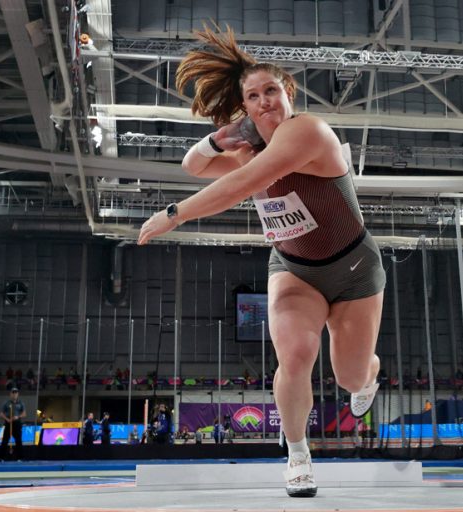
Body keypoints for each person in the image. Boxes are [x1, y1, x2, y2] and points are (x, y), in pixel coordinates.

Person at [137, 24, 385, 499]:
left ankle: (369, 370)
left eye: (271, 89)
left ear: (287, 93)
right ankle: (297, 455)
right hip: (293, 270)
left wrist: (175, 213)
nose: (265, 100)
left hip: (354, 268)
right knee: (294, 354)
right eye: (253, 95)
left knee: (350, 374)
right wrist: (218, 140)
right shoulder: (249, 148)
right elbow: (194, 165)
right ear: (245, 108)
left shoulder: (306, 132)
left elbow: (240, 184)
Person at [0, 387, 26, 459]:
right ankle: (1, 458)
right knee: (5, 440)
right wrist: (7, 419)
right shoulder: (6, 403)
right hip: (8, 423)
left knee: (18, 440)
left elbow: (24, 414)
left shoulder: (21, 403)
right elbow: (1, 414)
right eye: (13, 393)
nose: (14, 394)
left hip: (17, 424)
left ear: (18, 394)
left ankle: (20, 458)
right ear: (10, 394)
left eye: (16, 393)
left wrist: (17, 417)